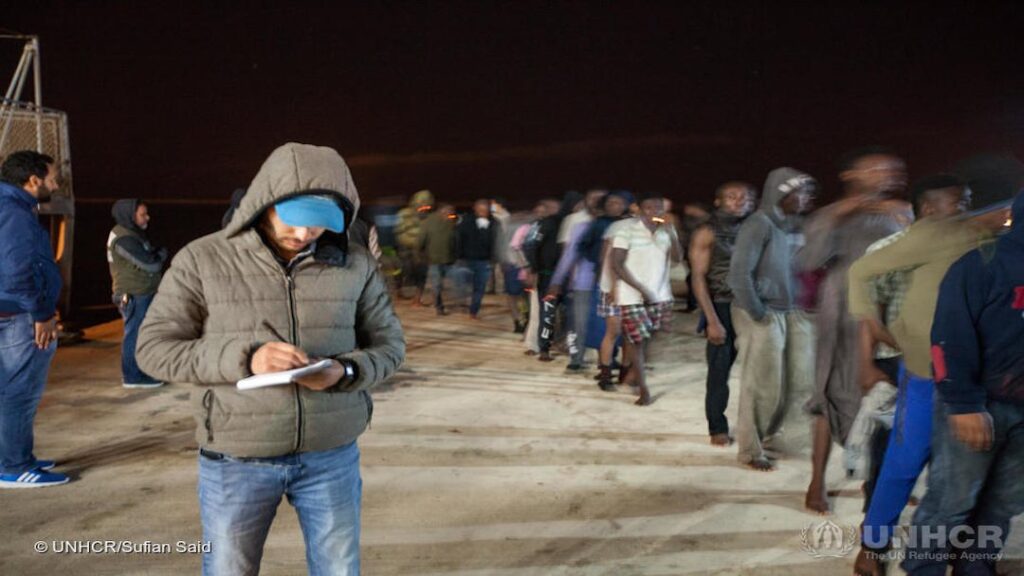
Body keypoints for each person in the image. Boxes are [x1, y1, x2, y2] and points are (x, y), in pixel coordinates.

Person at [136, 143, 405, 575]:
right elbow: (153, 349)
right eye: (296, 222)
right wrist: (246, 359)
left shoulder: (355, 265)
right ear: (265, 203)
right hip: (235, 457)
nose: (304, 236)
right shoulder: (202, 259)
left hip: (330, 453)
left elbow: (390, 346)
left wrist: (346, 370)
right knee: (229, 567)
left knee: (340, 567)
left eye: (320, 227)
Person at [847, 175, 1012, 575]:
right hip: (923, 372)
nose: (966, 209)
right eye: (959, 202)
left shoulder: (976, 239)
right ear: (931, 209)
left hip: (973, 374)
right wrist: (874, 333)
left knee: (962, 473)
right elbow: (861, 274)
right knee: (905, 462)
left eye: (969, 201)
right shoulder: (921, 239)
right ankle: (873, 545)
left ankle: (958, 547)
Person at [900, 191, 1020, 575]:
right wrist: (964, 404)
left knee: (1004, 501)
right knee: (952, 502)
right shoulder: (984, 263)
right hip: (981, 404)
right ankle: (923, 569)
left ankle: (975, 566)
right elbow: (950, 336)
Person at [799, 147, 912, 513]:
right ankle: (817, 480)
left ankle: (875, 481)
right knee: (830, 390)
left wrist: (907, 222)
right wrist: (837, 217)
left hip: (889, 309)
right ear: (851, 176)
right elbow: (809, 261)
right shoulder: (829, 214)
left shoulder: (901, 211)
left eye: (892, 170)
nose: (887, 176)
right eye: (877, 169)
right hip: (843, 310)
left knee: (885, 393)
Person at [727, 168, 817, 470]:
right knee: (760, 383)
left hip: (791, 311)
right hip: (762, 311)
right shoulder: (759, 223)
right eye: (799, 192)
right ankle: (750, 450)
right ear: (781, 193)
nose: (805, 198)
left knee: (793, 380)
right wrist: (758, 311)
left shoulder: (794, 225)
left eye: (807, 192)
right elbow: (739, 274)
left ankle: (769, 437)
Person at [0, 151, 68, 489]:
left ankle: (11, 456)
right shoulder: (15, 213)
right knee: (20, 392)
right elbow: (17, 272)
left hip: (9, 310)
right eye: (52, 177)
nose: (56, 182)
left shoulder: (7, 207)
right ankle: (14, 466)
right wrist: (41, 314)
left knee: (8, 390)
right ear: (33, 180)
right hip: (19, 315)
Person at [689, 181, 756, 446]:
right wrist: (712, 320)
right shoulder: (708, 231)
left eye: (746, 197)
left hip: (753, 306)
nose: (739, 201)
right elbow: (698, 277)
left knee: (760, 374)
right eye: (732, 196)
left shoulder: (758, 229)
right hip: (722, 305)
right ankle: (717, 426)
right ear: (718, 201)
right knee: (719, 372)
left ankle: (759, 429)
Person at [609, 197, 683, 406]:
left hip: (661, 294)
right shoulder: (626, 231)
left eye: (658, 208)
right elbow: (617, 264)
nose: (654, 211)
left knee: (652, 335)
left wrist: (671, 233)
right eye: (649, 207)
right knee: (637, 341)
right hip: (632, 296)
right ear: (639, 209)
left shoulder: (666, 231)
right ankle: (644, 389)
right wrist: (640, 289)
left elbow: (677, 259)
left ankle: (633, 372)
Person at [546, 190, 611, 373]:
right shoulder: (580, 227)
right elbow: (568, 255)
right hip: (583, 282)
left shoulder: (617, 227)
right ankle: (576, 358)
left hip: (609, 284)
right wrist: (557, 281)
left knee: (605, 324)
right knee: (578, 324)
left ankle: (605, 360)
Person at [107, 199, 169, 388]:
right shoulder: (124, 239)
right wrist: (161, 255)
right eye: (143, 214)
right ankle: (133, 376)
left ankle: (140, 371)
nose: (147, 217)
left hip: (142, 292)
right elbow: (151, 263)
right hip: (134, 294)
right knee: (134, 335)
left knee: (140, 334)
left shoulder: (133, 234)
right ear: (130, 215)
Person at [527, 191, 582, 362]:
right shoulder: (549, 222)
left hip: (564, 276)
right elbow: (530, 245)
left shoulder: (574, 223)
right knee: (550, 313)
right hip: (550, 276)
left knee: (561, 314)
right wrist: (535, 268)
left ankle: (558, 347)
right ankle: (546, 348)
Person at [456, 199, 498, 319]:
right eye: (480, 209)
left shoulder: (494, 222)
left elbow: (495, 241)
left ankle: (473, 310)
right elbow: (459, 239)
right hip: (467, 259)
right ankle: (464, 303)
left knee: (480, 287)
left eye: (485, 210)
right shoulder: (466, 221)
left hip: (484, 260)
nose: (483, 212)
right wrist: (459, 256)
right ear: (475, 208)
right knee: (465, 284)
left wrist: (493, 257)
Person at [395, 189, 434, 306]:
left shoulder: (429, 218)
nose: (424, 206)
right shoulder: (404, 214)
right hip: (405, 248)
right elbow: (399, 229)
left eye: (427, 203)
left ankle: (417, 298)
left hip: (421, 251)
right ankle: (399, 291)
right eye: (421, 202)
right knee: (402, 270)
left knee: (422, 273)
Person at [421, 204, 457, 315]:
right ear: (442, 211)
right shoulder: (429, 221)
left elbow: (454, 240)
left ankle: (441, 303)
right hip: (434, 259)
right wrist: (419, 253)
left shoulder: (450, 222)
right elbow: (421, 239)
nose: (451, 214)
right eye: (449, 211)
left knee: (443, 284)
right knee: (436, 284)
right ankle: (439, 306)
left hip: (448, 259)